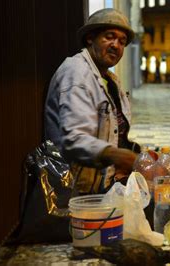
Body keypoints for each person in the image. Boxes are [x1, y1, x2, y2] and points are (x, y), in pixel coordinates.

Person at [44, 8, 139, 194]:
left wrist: (141, 155)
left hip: (104, 183)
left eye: (122, 41)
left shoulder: (110, 80)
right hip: (77, 191)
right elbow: (74, 140)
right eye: (109, 37)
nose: (116, 45)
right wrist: (118, 156)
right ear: (90, 38)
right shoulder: (77, 73)